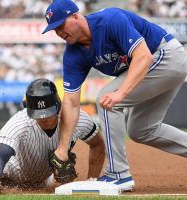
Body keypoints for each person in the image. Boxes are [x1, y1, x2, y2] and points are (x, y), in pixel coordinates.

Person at [42, 0, 187, 192]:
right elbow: (71, 102)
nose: (59, 32)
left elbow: (144, 56)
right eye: (54, 29)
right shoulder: (73, 54)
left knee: (107, 100)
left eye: (60, 25)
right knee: (141, 129)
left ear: (76, 16)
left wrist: (121, 93)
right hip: (154, 66)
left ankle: (118, 174)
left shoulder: (110, 20)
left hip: (165, 55)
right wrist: (62, 149)